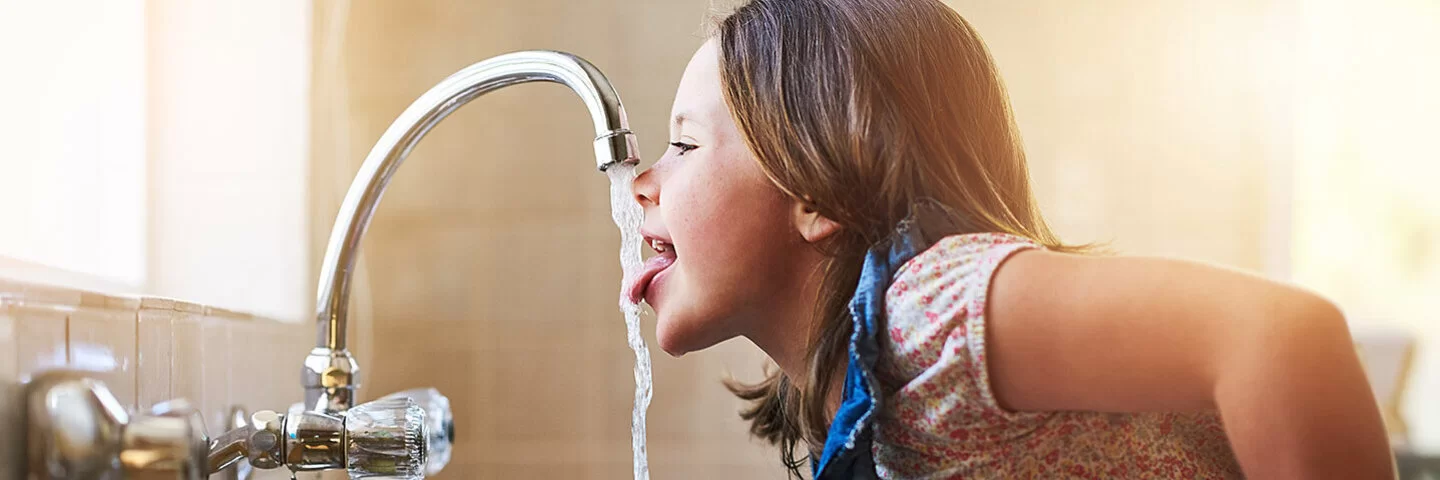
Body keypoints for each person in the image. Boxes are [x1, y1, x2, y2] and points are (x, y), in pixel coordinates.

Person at [624, 0, 1395, 477]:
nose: (640, 184)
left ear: (820, 186)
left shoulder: (933, 313)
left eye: (685, 145)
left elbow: (1284, 337)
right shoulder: (864, 406)